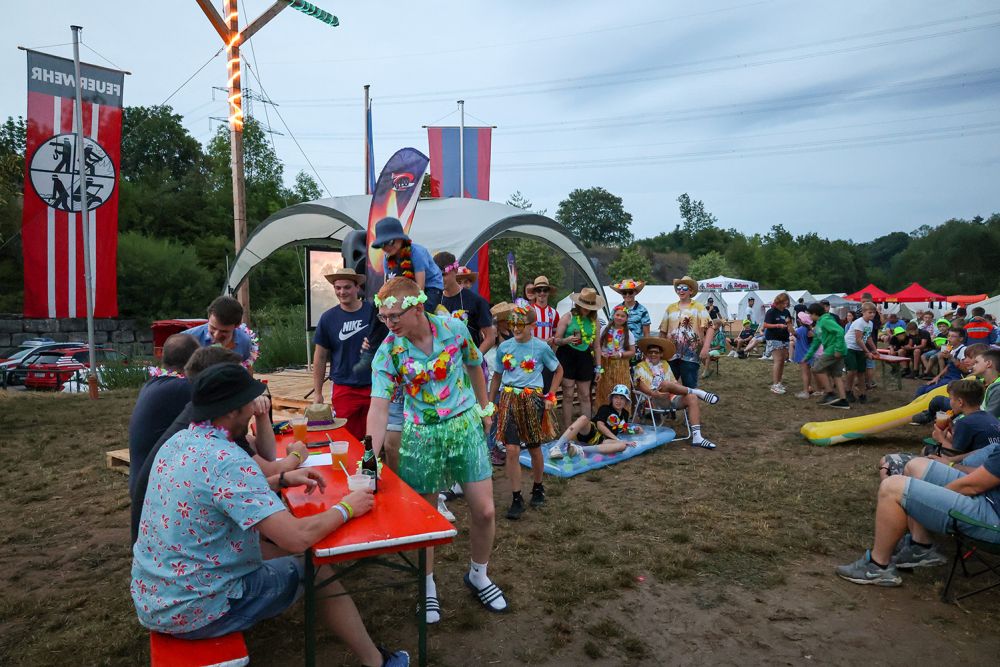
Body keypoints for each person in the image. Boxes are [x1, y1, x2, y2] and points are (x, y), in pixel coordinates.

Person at [130, 365, 408, 666]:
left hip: (156, 595)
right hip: (197, 609)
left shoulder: (179, 442)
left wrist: (282, 481)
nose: (254, 408)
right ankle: (376, 661)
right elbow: (297, 538)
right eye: (251, 402)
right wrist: (348, 507)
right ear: (233, 410)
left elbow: (217, 496)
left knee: (268, 549)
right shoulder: (228, 460)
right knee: (315, 569)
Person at [365, 277, 507, 624]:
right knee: (425, 518)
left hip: (464, 426)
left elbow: (475, 364)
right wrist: (369, 457)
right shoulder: (389, 351)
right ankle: (426, 584)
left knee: (485, 511)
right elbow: (379, 407)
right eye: (384, 317)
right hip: (421, 435)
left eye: (394, 315)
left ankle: (478, 574)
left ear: (416, 308)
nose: (389, 323)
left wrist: (486, 410)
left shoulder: (455, 330)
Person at [129, 349, 309, 545]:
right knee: (297, 554)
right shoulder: (223, 447)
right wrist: (297, 456)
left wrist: (262, 415)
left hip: (159, 547)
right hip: (186, 557)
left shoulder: (198, 425)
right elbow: (297, 537)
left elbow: (257, 460)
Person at [835, 441, 1000, 587]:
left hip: (992, 519)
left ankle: (878, 567)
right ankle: (921, 546)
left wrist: (931, 499)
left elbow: (971, 486)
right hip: (990, 494)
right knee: (915, 465)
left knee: (891, 487)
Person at [489, 304, 564, 520]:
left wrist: (551, 394)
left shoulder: (540, 348)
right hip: (509, 400)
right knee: (511, 450)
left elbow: (558, 370)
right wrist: (492, 402)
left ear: (532, 325)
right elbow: (497, 375)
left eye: (520, 324)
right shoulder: (505, 347)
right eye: (513, 324)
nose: (516, 328)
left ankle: (538, 487)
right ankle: (516, 497)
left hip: (532, 400)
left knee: (533, 448)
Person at [127, 334, 201, 493]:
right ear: (193, 361)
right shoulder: (181, 388)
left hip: (143, 482)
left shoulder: (156, 383)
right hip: (153, 490)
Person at [882, 378, 1000, 478]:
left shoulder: (966, 422)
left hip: (968, 472)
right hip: (986, 469)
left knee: (888, 461)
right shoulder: (989, 418)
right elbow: (969, 448)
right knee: (928, 450)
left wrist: (940, 438)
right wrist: (952, 429)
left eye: (951, 399)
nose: (950, 402)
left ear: (960, 402)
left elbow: (952, 454)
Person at [312, 268, 374, 440]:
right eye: (338, 288)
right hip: (344, 388)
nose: (342, 292)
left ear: (357, 287)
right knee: (347, 438)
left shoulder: (373, 312)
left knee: (375, 439)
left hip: (374, 385)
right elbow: (320, 357)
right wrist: (318, 392)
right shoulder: (328, 318)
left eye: (347, 287)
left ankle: (373, 467)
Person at [633, 337, 721, 449]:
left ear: (661, 354)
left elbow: (674, 383)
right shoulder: (640, 366)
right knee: (665, 384)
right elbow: (639, 385)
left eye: (656, 352)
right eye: (650, 352)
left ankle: (697, 437)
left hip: (670, 398)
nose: (653, 354)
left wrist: (683, 392)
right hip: (653, 400)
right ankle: (698, 392)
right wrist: (652, 393)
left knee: (692, 398)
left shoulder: (664, 364)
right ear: (646, 354)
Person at [548, 384, 643, 458]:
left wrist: (634, 430)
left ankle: (579, 449)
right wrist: (617, 439)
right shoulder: (605, 408)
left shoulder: (625, 414)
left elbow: (621, 428)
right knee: (584, 418)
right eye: (616, 397)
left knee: (622, 446)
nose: (619, 401)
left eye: (622, 398)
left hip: (603, 440)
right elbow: (600, 426)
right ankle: (556, 447)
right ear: (612, 399)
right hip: (592, 432)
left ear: (626, 402)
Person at [370, 216, 444, 311]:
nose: (386, 247)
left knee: (420, 310)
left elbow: (420, 288)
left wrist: (411, 305)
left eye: (390, 242)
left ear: (400, 239)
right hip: (407, 288)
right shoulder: (387, 257)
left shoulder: (417, 252)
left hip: (430, 287)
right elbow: (387, 285)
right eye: (382, 244)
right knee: (378, 309)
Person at [553, 287, 604, 425]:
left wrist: (598, 367)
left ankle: (586, 430)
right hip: (567, 356)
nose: (586, 308)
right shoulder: (567, 317)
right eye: (584, 305)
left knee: (585, 395)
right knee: (568, 395)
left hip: (585, 357)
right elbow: (556, 340)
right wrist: (566, 340)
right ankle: (567, 431)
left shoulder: (595, 321)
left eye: (589, 306)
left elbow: (597, 346)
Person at [433, 252, 496, 357]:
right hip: (442, 365)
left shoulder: (476, 301)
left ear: (455, 270)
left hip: (468, 364)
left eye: (444, 274)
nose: (440, 279)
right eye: (436, 275)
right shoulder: (433, 301)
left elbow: (490, 337)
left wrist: (474, 360)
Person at [659, 275, 714, 389]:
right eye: (678, 288)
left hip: (691, 356)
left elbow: (710, 327)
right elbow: (663, 332)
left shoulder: (699, 308)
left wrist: (705, 348)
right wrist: (660, 351)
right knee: (667, 387)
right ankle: (670, 407)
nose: (681, 291)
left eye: (684, 288)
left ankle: (690, 406)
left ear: (691, 291)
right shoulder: (670, 308)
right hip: (670, 356)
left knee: (690, 388)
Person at [803, 302, 850, 409]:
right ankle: (843, 400)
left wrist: (838, 349)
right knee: (836, 375)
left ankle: (830, 393)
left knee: (816, 368)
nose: (810, 317)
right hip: (836, 350)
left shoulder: (825, 320)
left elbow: (840, 331)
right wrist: (808, 356)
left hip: (834, 350)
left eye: (810, 314)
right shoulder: (819, 324)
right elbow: (816, 341)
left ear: (815, 313)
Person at [183, 295, 255, 363]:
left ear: (237, 326)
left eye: (224, 331)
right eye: (213, 328)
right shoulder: (186, 339)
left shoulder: (244, 341)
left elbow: (247, 369)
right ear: (209, 317)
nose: (216, 335)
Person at [594, 304, 635, 409]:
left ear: (626, 319)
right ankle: (602, 414)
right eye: (617, 315)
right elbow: (596, 346)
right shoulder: (604, 329)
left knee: (619, 390)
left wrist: (620, 354)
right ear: (613, 315)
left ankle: (620, 414)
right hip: (604, 363)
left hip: (620, 365)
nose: (619, 318)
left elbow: (632, 352)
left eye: (622, 316)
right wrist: (601, 353)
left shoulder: (628, 334)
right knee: (604, 389)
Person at [916, 327, 970, 397]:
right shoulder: (951, 348)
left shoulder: (964, 350)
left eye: (953, 336)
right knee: (921, 389)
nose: (949, 338)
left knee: (928, 391)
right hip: (947, 377)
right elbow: (948, 366)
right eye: (948, 336)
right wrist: (937, 377)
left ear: (961, 339)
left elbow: (966, 370)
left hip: (956, 380)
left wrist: (951, 358)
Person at [844, 302, 877, 404]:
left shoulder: (870, 323)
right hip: (849, 347)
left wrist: (874, 349)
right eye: (869, 312)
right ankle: (848, 391)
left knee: (861, 372)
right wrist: (867, 352)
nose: (872, 314)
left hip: (859, 349)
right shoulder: (859, 322)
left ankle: (862, 394)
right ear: (863, 312)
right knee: (852, 370)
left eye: (874, 312)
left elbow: (868, 337)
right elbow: (858, 339)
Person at [763, 292, 795, 394]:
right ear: (778, 302)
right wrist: (778, 325)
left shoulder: (786, 312)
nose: (785, 305)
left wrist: (793, 332)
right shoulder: (771, 312)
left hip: (784, 337)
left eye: (786, 303)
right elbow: (765, 325)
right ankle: (775, 384)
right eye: (783, 303)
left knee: (783, 360)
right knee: (778, 359)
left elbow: (789, 324)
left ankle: (779, 382)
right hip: (773, 337)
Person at [610, 278, 651, 343]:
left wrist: (646, 349)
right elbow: (610, 328)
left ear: (635, 292)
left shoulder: (643, 310)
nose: (627, 295)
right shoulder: (616, 309)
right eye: (624, 293)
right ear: (621, 294)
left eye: (630, 292)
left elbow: (647, 334)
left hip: (637, 347)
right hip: (618, 346)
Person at [792, 311, 821, 399]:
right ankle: (809, 388)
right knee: (808, 372)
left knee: (805, 373)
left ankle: (805, 392)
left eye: (799, 318)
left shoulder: (801, 329)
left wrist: (789, 324)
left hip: (802, 354)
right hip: (808, 353)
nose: (798, 319)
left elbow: (794, 334)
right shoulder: (809, 330)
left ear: (801, 321)